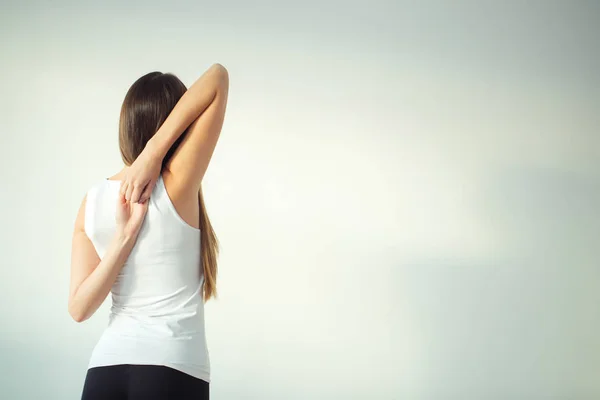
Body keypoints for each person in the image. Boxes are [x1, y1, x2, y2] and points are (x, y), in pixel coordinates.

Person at [68, 63, 230, 400]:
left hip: (104, 370)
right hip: (173, 369)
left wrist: (122, 241)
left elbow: (78, 309)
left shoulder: (92, 200)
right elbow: (217, 77)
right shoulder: (177, 184)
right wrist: (154, 153)